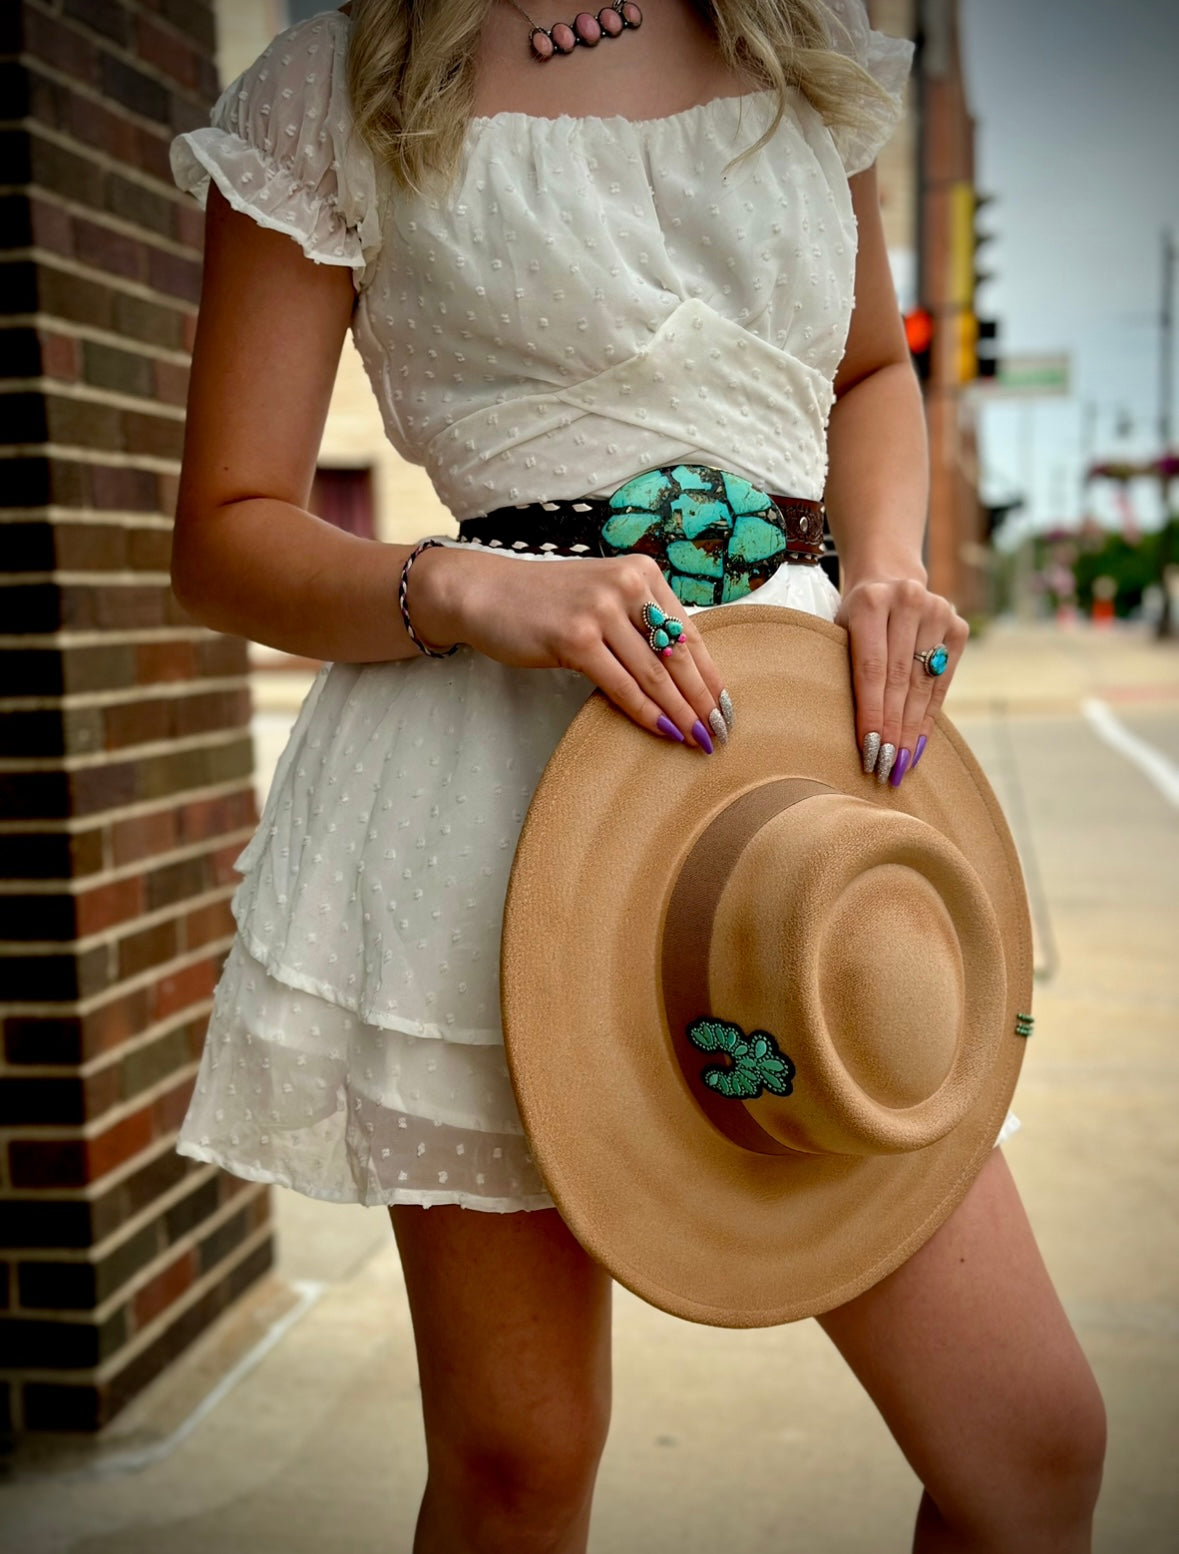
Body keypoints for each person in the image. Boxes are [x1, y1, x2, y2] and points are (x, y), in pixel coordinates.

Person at [169, 2, 1105, 1548]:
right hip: (487, 796)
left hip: (792, 775)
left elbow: (872, 373)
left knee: (1032, 1447)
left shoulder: (806, 37)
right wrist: (459, 587)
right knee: (520, 1463)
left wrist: (883, 561)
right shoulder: (334, 83)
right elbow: (226, 530)